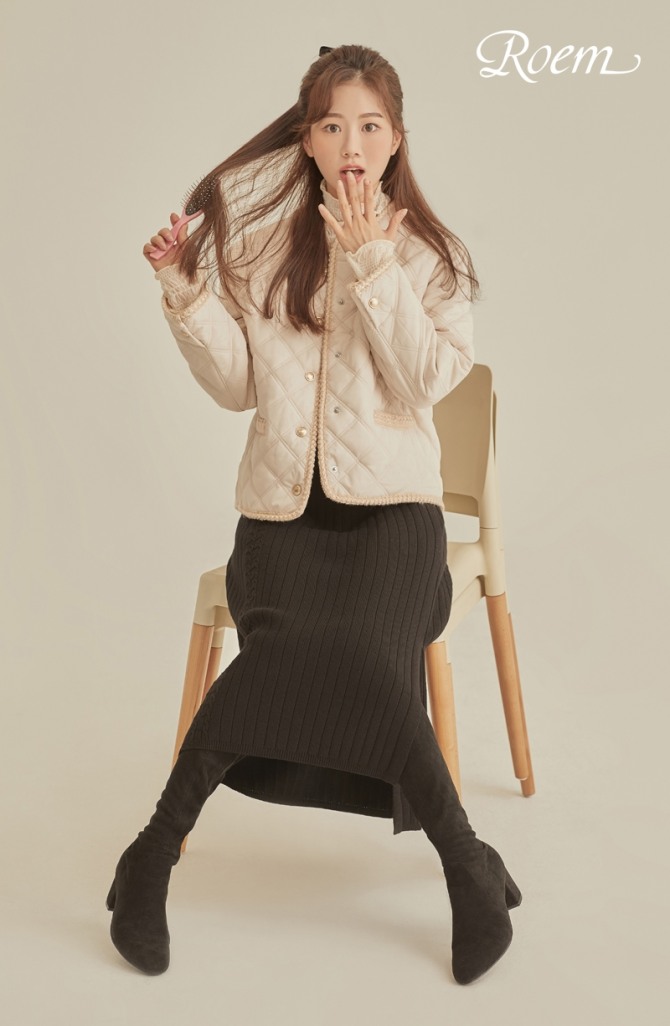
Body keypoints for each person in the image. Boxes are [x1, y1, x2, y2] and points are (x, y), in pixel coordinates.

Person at [107, 43, 522, 985]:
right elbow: (237, 386)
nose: (352, 143)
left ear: (396, 138)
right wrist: (186, 291)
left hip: (394, 522)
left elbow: (428, 379)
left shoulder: (433, 257)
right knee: (280, 654)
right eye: (333, 125)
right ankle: (151, 857)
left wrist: (372, 259)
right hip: (282, 523)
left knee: (370, 659)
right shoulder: (265, 250)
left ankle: (464, 864)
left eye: (370, 125)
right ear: (307, 140)